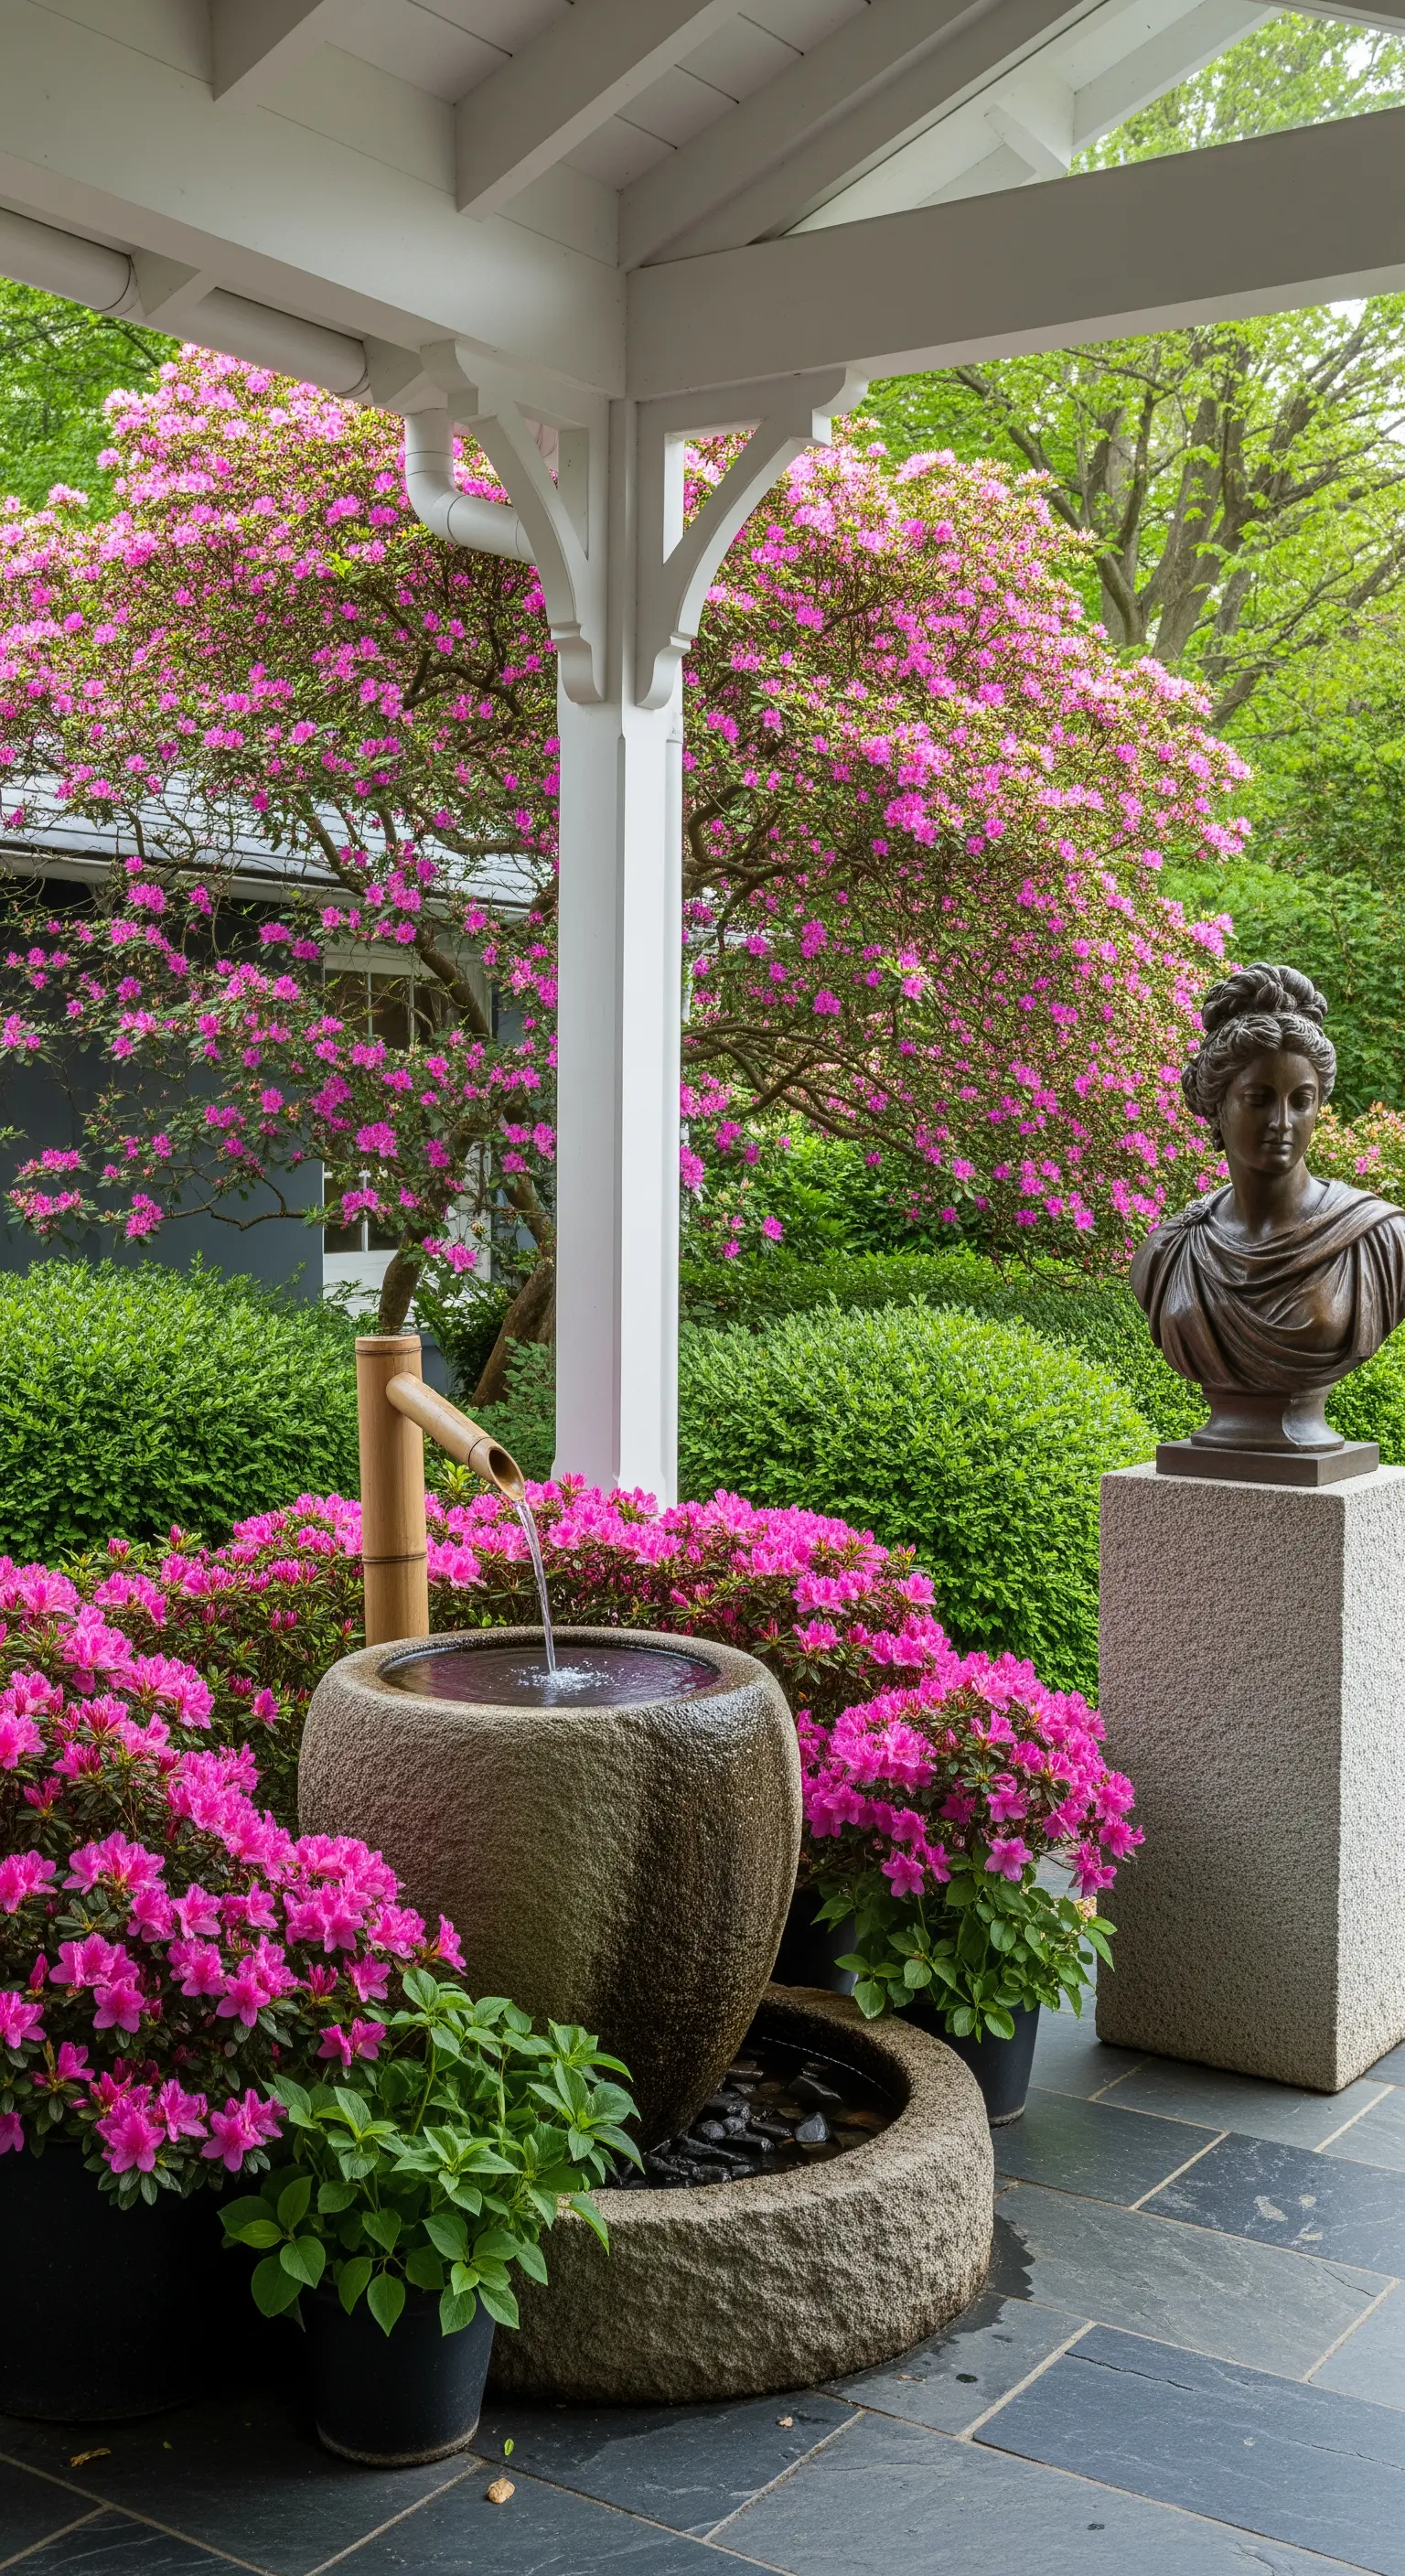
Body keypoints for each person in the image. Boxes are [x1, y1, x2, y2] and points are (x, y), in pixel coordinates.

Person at [1130, 962, 1405, 1455]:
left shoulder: (1383, 1241)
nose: (1282, 1121)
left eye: (1302, 1101)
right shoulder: (1169, 1251)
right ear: (1218, 1106)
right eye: (1258, 1099)